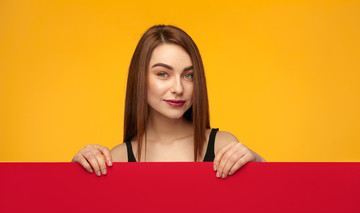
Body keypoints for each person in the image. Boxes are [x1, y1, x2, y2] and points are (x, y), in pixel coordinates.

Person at [72, 24, 265, 179]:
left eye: (189, 75)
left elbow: (264, 209)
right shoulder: (116, 158)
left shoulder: (223, 146)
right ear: (140, 79)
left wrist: (258, 163)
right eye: (163, 74)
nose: (179, 88)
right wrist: (75, 172)